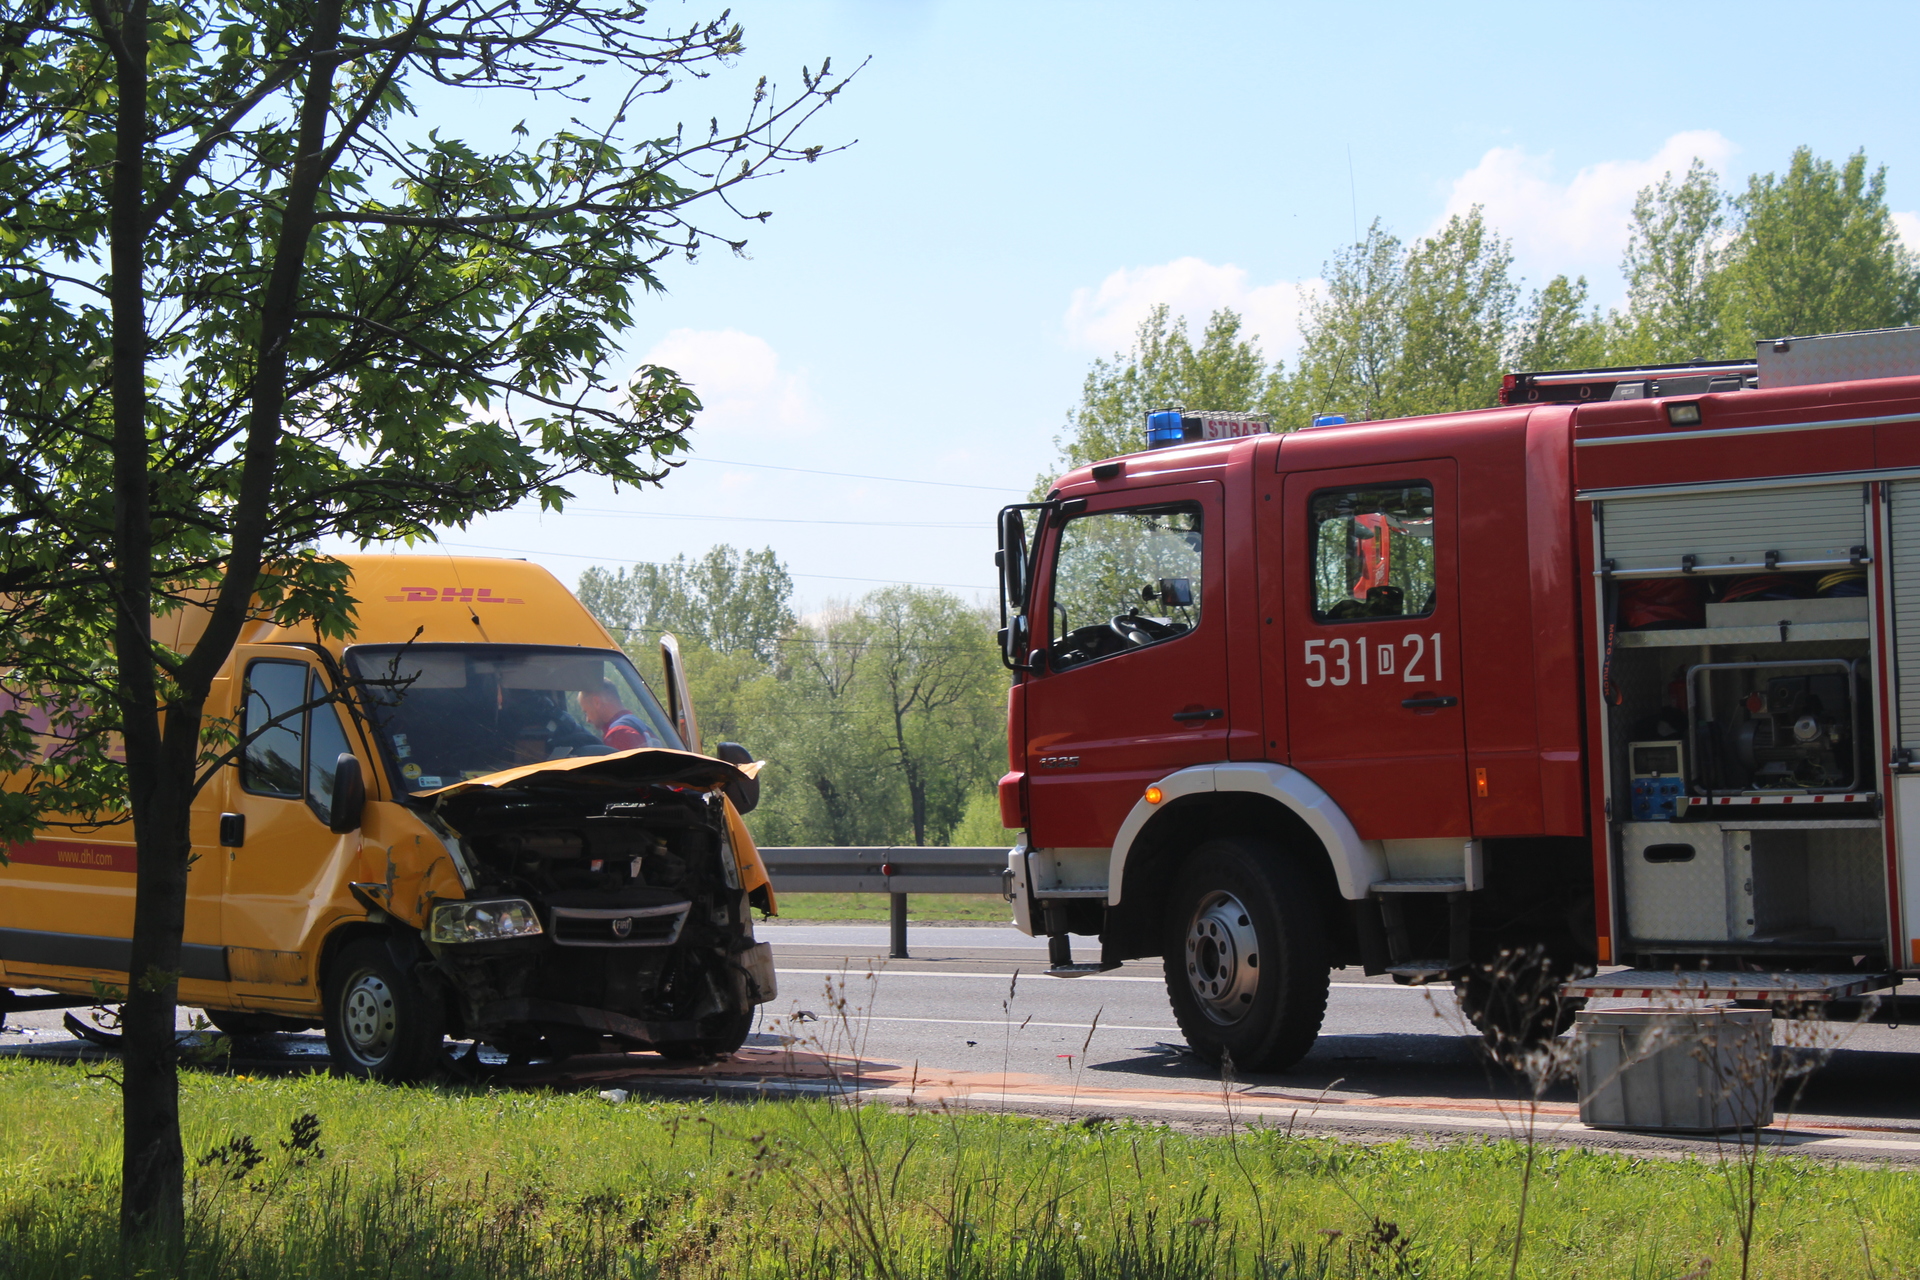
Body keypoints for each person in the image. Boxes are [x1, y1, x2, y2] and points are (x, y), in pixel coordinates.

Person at [580, 681, 661, 750]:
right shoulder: (637, 724)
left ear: (596, 702)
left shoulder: (619, 734)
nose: (588, 720)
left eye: (586, 712)